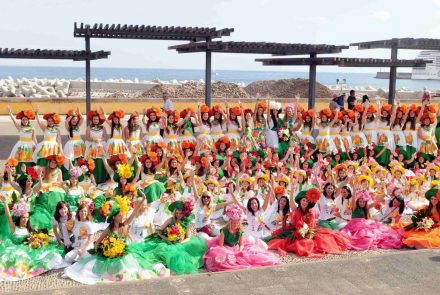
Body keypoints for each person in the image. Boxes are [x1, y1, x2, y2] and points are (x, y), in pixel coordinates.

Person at [203, 203, 282, 272]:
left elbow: (241, 244)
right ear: (230, 222)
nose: (235, 224)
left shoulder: (240, 230)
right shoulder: (224, 230)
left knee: (251, 256)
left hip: (236, 247)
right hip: (225, 247)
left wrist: (240, 250)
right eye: (233, 222)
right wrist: (229, 252)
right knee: (221, 259)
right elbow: (221, 245)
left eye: (237, 223)